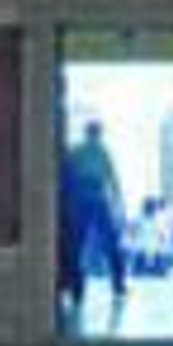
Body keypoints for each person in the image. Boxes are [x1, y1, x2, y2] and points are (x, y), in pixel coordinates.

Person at [59, 117, 127, 307]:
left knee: (77, 246)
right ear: (97, 133)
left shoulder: (77, 152)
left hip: (82, 201)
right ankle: (117, 285)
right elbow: (112, 180)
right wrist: (120, 204)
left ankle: (76, 289)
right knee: (109, 243)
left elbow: (67, 178)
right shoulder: (100, 152)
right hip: (95, 199)